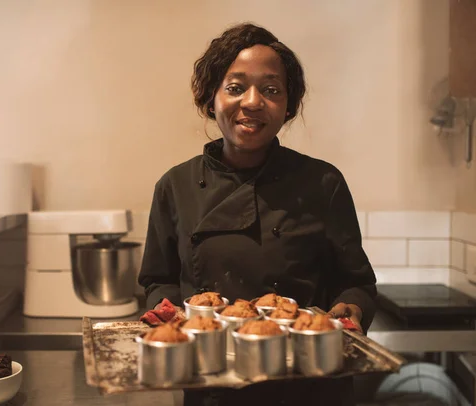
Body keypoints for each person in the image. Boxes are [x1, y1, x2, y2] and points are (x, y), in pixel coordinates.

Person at [138, 22, 377, 406]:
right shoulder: (174, 186)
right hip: (211, 383)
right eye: (235, 88)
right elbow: (158, 281)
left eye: (270, 90)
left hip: (310, 388)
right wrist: (167, 315)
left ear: (288, 106)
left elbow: (358, 284)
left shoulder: (323, 183)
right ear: (210, 98)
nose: (252, 102)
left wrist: (351, 311)